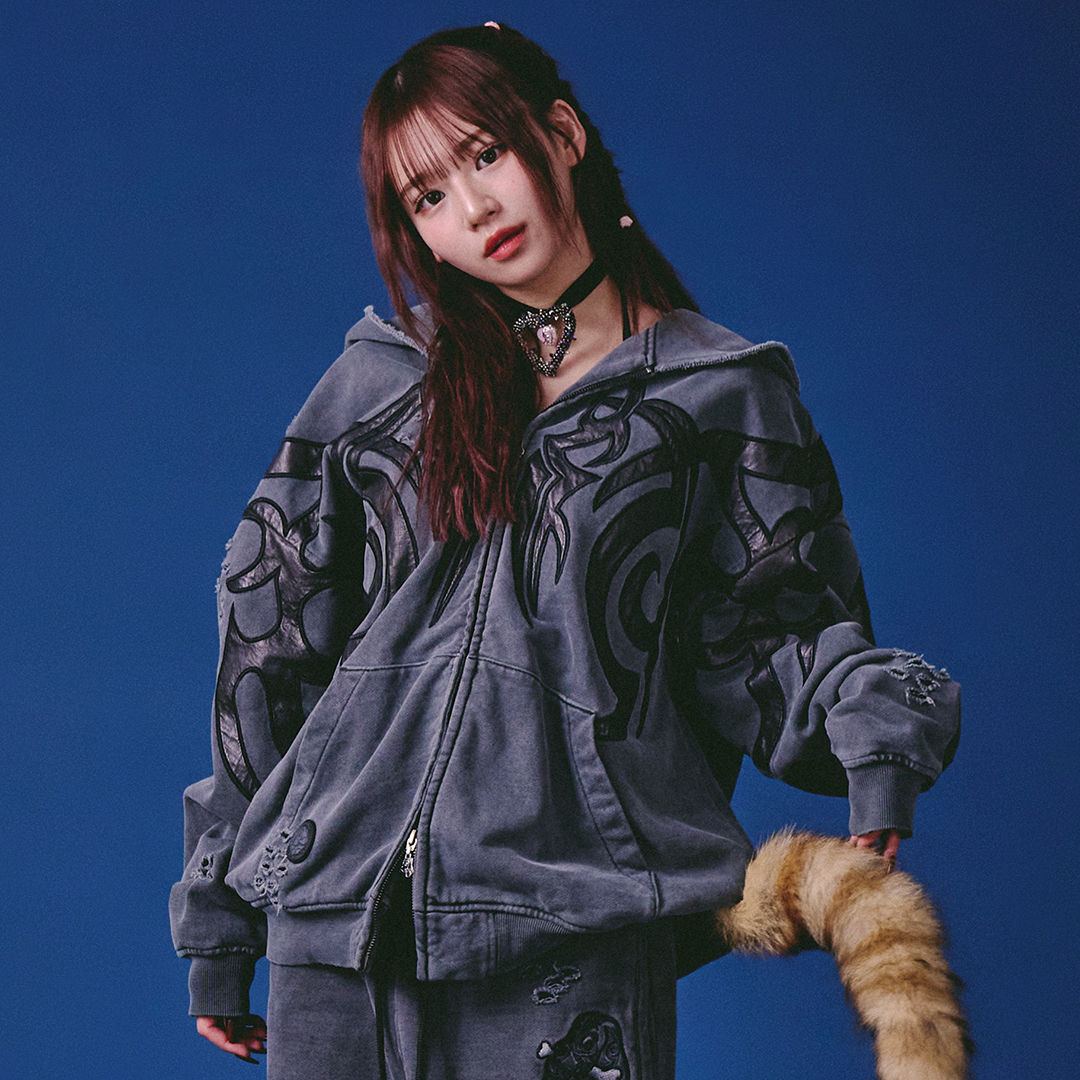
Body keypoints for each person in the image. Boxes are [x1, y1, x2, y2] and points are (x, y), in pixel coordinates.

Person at [170, 23, 960, 1079]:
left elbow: (774, 629)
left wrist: (877, 752)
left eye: (487, 154)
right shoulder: (382, 381)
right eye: (427, 197)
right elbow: (270, 639)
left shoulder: (716, 394)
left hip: (570, 922)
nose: (473, 209)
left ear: (563, 134)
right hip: (337, 928)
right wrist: (220, 921)